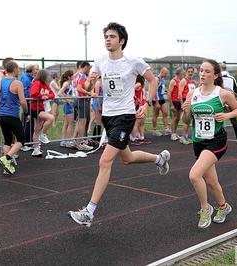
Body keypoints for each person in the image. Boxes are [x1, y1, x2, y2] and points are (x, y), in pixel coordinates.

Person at [67, 22, 171, 227]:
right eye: (106, 36)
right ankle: (159, 159)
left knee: (105, 161)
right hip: (108, 116)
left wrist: (147, 104)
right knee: (128, 158)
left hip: (125, 116)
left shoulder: (133, 61)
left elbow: (153, 81)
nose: (108, 39)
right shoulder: (100, 61)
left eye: (112, 36)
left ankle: (89, 212)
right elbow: (86, 85)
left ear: (121, 41)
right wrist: (90, 81)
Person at [181, 59, 237, 229]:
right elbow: (186, 120)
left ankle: (205, 208)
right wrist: (186, 111)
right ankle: (224, 207)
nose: (202, 74)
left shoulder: (222, 93)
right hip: (198, 141)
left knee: (194, 175)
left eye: (207, 71)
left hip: (216, 141)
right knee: (211, 182)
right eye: (201, 70)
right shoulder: (192, 94)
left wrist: (226, 116)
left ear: (216, 75)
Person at [0, 61, 29, 174]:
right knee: (21, 139)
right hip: (12, 115)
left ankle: (6, 167)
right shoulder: (17, 83)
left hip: (1, 116)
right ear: (15, 70)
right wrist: (26, 113)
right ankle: (7, 158)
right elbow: (23, 102)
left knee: (7, 140)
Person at [29, 69, 55, 157]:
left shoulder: (46, 85)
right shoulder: (37, 83)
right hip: (35, 108)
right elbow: (33, 94)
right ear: (44, 76)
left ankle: (36, 149)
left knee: (37, 129)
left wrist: (46, 96)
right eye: (48, 75)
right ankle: (43, 135)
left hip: (41, 108)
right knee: (51, 118)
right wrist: (41, 97)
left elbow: (52, 94)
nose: (49, 77)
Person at [70, 61, 95, 151]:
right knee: (82, 121)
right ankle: (81, 142)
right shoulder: (82, 76)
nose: (88, 70)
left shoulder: (75, 75)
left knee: (79, 121)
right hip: (81, 99)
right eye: (88, 68)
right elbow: (79, 88)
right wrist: (89, 93)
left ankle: (74, 140)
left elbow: (80, 87)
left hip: (76, 99)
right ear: (85, 67)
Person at [220, 63, 237, 145]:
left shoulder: (217, 78)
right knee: (234, 120)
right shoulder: (232, 78)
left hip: (220, 101)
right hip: (231, 101)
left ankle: (220, 138)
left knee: (219, 120)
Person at [20, 64, 37, 151]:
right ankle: (25, 142)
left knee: (30, 122)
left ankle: (29, 141)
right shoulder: (25, 79)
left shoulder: (29, 78)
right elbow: (25, 91)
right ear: (32, 71)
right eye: (35, 70)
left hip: (30, 102)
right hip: (27, 102)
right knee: (27, 121)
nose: (36, 71)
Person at [130, 74, 151, 145]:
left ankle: (142, 137)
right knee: (137, 123)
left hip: (142, 104)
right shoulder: (138, 84)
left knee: (142, 122)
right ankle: (133, 138)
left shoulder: (141, 85)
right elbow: (131, 90)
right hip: (139, 105)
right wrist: (136, 98)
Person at [179, 66, 197, 144]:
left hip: (192, 101)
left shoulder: (194, 82)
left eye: (191, 72)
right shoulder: (184, 81)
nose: (190, 73)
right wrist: (182, 104)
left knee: (189, 120)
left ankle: (186, 135)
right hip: (185, 101)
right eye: (188, 71)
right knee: (186, 120)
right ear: (186, 72)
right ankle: (183, 136)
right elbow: (180, 93)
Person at [58, 70, 75, 148]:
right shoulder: (66, 83)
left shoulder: (68, 83)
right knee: (70, 124)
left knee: (66, 124)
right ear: (69, 77)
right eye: (72, 75)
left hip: (69, 104)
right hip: (68, 105)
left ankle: (63, 140)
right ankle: (67, 141)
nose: (74, 76)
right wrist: (67, 101)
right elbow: (60, 93)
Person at [152, 67, 171, 137]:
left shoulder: (162, 79)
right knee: (156, 114)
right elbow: (154, 91)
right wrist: (156, 102)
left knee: (165, 113)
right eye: (165, 73)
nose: (166, 75)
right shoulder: (157, 79)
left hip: (162, 98)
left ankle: (166, 129)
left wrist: (165, 91)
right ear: (162, 72)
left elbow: (160, 89)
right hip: (156, 99)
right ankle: (155, 130)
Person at [167, 67, 184, 141]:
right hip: (174, 101)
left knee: (178, 117)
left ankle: (175, 132)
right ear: (180, 74)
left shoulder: (180, 81)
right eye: (182, 74)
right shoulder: (173, 81)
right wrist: (171, 104)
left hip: (179, 101)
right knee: (174, 117)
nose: (183, 75)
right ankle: (172, 133)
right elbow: (169, 92)